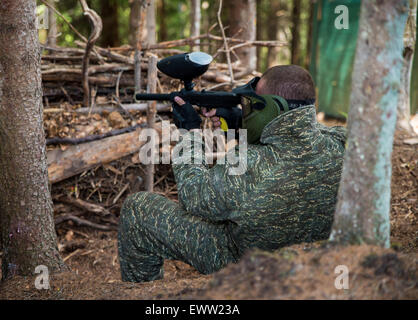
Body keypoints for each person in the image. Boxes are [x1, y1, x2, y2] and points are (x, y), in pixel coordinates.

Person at [117, 65, 347, 282]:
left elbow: (193, 196)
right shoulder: (343, 144)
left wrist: (190, 132)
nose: (247, 109)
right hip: (316, 260)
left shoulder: (249, 163)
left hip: (244, 265)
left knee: (138, 210)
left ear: (270, 107)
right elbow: (299, 133)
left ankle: (143, 290)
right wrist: (241, 123)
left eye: (252, 105)